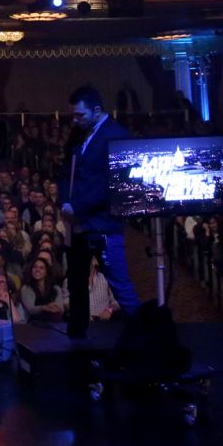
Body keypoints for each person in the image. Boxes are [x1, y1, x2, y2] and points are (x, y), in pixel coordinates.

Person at [59, 85, 140, 338]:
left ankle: (144, 335)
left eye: (79, 115)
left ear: (96, 110)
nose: (75, 120)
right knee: (77, 284)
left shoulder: (117, 135)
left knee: (119, 283)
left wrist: (77, 206)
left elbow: (112, 184)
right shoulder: (81, 133)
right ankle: (77, 335)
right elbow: (67, 169)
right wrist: (64, 202)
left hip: (102, 224)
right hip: (79, 224)